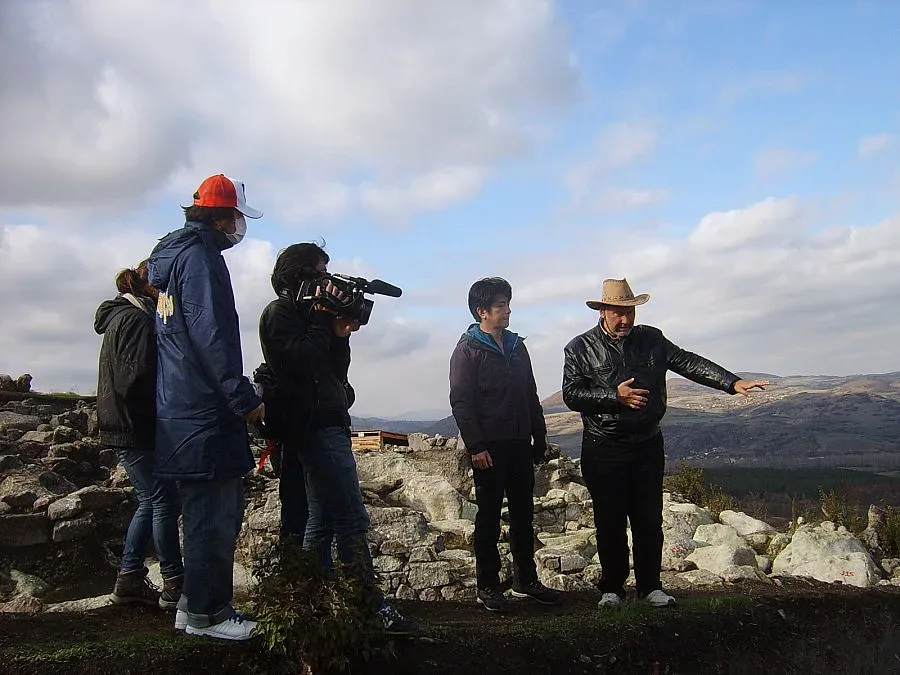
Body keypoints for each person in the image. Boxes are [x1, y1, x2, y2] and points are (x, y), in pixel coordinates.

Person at [562, 278, 769, 608]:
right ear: (603, 311)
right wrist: (612, 397)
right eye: (618, 312)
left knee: (648, 519)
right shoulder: (579, 348)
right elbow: (572, 395)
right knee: (609, 522)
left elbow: (687, 362)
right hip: (604, 447)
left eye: (630, 312)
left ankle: (650, 587)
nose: (626, 319)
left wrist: (731, 382)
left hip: (646, 444)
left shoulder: (652, 339)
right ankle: (612, 589)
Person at [257, 242, 418, 635]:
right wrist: (319, 320)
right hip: (313, 428)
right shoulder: (280, 314)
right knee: (350, 516)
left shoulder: (306, 316)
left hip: (327, 421)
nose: (327, 280)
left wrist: (340, 335)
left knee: (324, 520)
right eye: (321, 271)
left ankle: (312, 597)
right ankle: (366, 605)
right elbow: (301, 365)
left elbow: (333, 373)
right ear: (303, 274)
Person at [148, 174, 265, 641]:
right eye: (236, 216)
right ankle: (208, 613)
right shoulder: (200, 260)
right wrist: (244, 400)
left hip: (183, 406)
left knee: (202, 512)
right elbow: (211, 334)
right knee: (213, 516)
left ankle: (192, 606)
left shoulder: (174, 258)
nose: (239, 226)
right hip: (204, 410)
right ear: (220, 215)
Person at [449, 277, 563, 612]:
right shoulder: (468, 349)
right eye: (501, 305)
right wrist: (476, 447)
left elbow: (530, 393)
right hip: (489, 448)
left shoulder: (517, 346)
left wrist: (539, 436)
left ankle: (525, 581)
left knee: (523, 514)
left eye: (508, 304)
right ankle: (487, 585)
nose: (508, 310)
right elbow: (462, 402)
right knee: (488, 517)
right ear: (482, 311)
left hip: (519, 442)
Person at [95, 261, 184, 609]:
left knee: (152, 500)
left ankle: (130, 577)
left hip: (126, 426)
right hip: (135, 428)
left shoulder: (125, 316)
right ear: (152, 287)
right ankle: (174, 582)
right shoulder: (135, 319)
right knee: (162, 501)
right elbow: (136, 380)